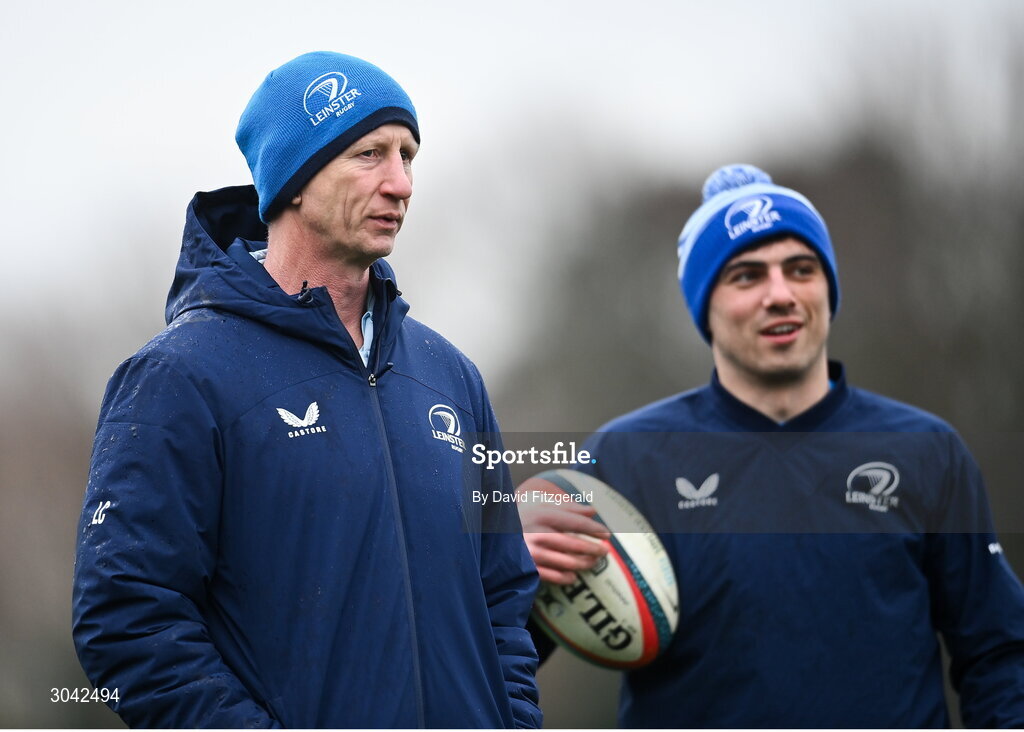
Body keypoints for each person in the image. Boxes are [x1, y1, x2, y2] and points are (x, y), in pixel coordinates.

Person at [72, 51, 541, 729]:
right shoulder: (178, 376)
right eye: (370, 154)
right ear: (294, 178)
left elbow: (505, 597)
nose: (401, 183)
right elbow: (128, 618)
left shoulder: (453, 377)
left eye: (409, 155)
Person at [522, 164, 1024, 727]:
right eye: (747, 276)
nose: (780, 294)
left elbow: (1000, 654)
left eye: (802, 269)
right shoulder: (627, 458)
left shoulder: (928, 452)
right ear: (704, 306)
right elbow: (506, 652)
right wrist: (516, 573)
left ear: (828, 289)